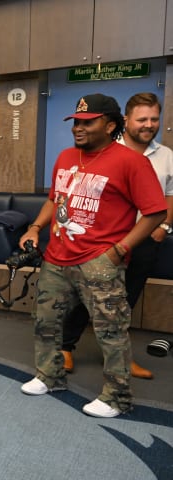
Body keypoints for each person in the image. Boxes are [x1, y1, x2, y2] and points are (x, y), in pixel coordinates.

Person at [18, 93, 167, 418]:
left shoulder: (131, 162)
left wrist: (119, 251)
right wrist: (34, 228)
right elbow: (54, 201)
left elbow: (156, 213)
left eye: (88, 122)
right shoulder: (66, 157)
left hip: (100, 262)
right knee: (45, 323)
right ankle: (49, 376)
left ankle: (116, 397)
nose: (78, 128)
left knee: (110, 332)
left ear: (110, 125)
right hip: (57, 258)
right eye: (76, 122)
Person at [60, 92, 173, 380]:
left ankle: (117, 355)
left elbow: (169, 197)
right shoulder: (103, 148)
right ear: (124, 121)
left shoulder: (167, 156)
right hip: (105, 241)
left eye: (154, 119)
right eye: (142, 119)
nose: (149, 124)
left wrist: (163, 228)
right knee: (86, 298)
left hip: (144, 240)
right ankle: (65, 347)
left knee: (125, 300)